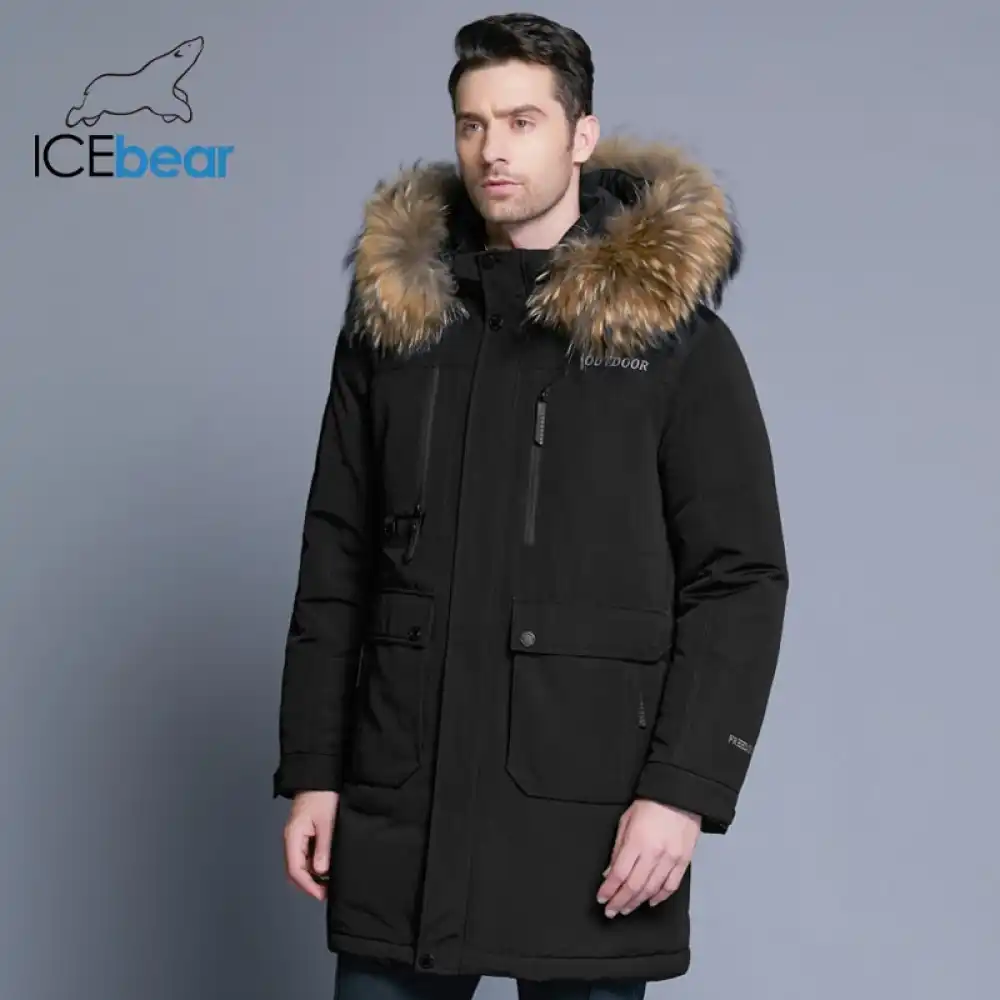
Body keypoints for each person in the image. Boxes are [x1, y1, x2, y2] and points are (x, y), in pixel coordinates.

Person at [272, 12, 789, 1000]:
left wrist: (683, 791)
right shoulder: (394, 331)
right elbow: (335, 558)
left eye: (522, 121)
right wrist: (314, 770)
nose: (492, 150)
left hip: (589, 817)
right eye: (472, 125)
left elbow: (739, 578)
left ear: (580, 136)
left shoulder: (674, 343)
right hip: (403, 805)